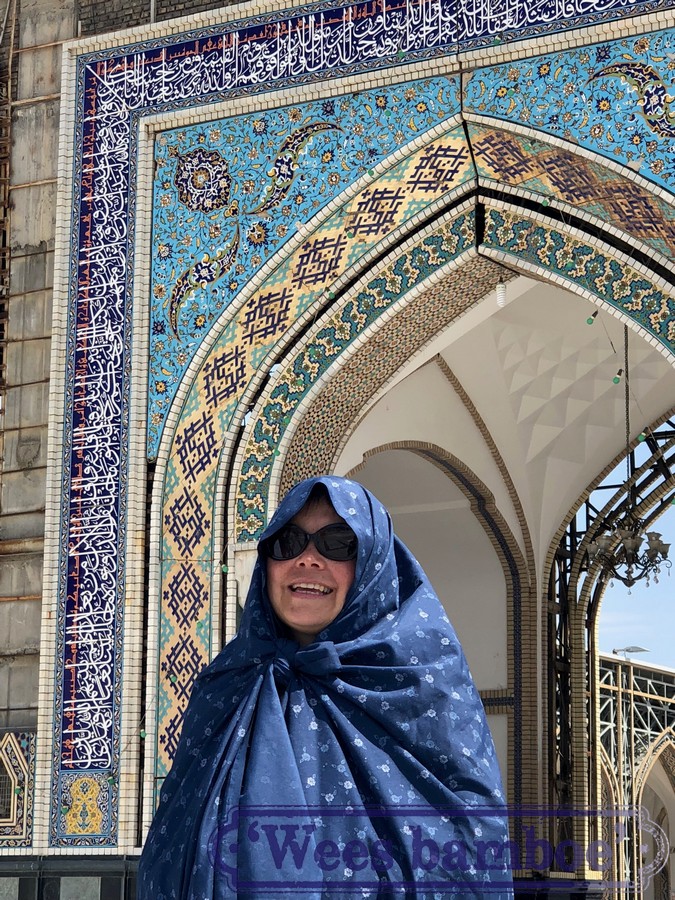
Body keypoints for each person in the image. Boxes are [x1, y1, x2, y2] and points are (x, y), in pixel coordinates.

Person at [138, 476, 513, 898]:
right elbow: (173, 842)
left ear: (372, 563)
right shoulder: (226, 685)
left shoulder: (420, 686)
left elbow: (467, 847)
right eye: (288, 542)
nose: (308, 560)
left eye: (338, 543)